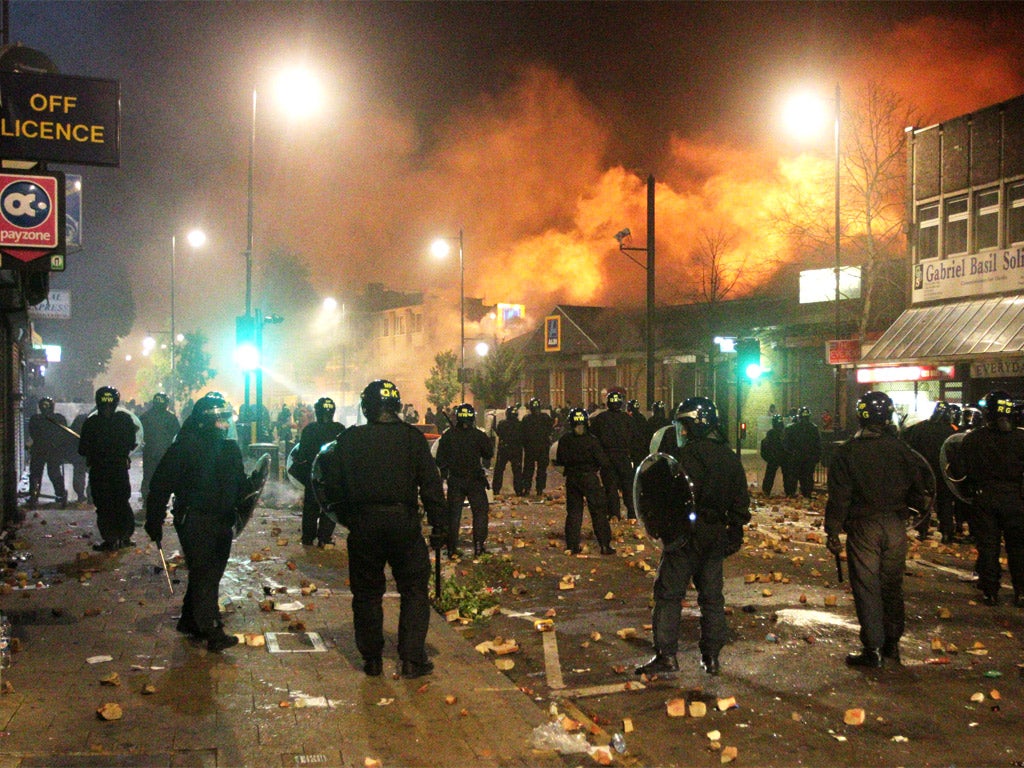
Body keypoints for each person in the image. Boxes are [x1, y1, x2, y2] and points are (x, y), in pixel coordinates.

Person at [310, 379, 447, 678]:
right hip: (403, 523)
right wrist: (440, 525)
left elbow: (330, 486)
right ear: (396, 407)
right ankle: (412, 659)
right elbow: (432, 486)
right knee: (413, 589)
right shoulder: (413, 439)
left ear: (365, 407)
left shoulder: (349, 440)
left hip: (365, 524)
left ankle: (372, 659)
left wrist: (349, 517)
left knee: (367, 593)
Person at [636, 397, 750, 677]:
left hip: (685, 536)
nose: (682, 433)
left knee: (669, 594)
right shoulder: (729, 458)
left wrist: (662, 530)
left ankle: (666, 655)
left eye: (684, 427)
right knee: (711, 598)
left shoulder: (683, 459)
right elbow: (740, 503)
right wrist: (734, 531)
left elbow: (666, 499)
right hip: (715, 535)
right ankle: (711, 657)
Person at [825, 391, 932, 667]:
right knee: (891, 586)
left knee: (867, 587)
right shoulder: (903, 450)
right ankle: (892, 646)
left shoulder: (847, 452)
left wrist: (833, 530)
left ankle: (872, 648)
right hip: (895, 526)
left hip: (864, 527)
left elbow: (840, 496)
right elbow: (920, 491)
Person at [145, 392, 248, 652]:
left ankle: (190, 620)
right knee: (205, 573)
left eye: (226, 420)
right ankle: (211, 629)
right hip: (194, 519)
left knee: (210, 571)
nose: (224, 426)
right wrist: (154, 520)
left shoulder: (230, 449)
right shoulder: (184, 448)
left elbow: (240, 484)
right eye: (219, 421)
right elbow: (160, 486)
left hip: (222, 519)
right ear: (203, 421)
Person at [959, 391, 1024, 607]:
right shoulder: (1021, 439)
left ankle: (990, 591)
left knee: (988, 546)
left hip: (985, 498)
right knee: (1018, 548)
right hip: (1016, 499)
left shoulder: (973, 439)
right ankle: (1021, 592)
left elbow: (961, 471)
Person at [78, 386, 138, 551]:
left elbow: (82, 449)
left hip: (100, 471)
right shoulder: (125, 420)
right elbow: (132, 443)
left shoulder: (91, 422)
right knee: (121, 502)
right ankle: (124, 537)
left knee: (104, 505)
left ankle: (111, 539)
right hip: (118, 469)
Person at [553, 407, 615, 555]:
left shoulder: (565, 440)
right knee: (598, 512)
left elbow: (560, 461)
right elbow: (603, 461)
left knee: (574, 513)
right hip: (590, 478)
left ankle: (572, 546)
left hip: (572, 479)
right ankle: (605, 545)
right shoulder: (592, 441)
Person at [436, 403, 493, 558]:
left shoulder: (449, 435)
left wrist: (446, 471)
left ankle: (452, 548)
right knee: (480, 513)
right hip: (475, 480)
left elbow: (440, 458)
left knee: (453, 516)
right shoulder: (478, 435)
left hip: (456, 480)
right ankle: (479, 546)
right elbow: (488, 453)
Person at [293, 397, 345, 547]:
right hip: (333, 476)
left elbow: (301, 455)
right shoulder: (340, 429)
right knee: (329, 506)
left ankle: (308, 538)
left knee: (311, 507)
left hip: (313, 475)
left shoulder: (309, 429)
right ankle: (324, 538)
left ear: (316, 412)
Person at [903, 401, 957, 542]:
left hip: (923, 471)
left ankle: (922, 530)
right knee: (945, 502)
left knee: (924, 500)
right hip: (943, 472)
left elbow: (910, 449)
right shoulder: (951, 431)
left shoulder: (919, 428)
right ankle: (946, 533)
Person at [590, 390, 643, 520]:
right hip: (624, 457)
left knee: (610, 486)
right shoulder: (627, 419)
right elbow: (637, 438)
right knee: (627, 486)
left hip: (607, 457)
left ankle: (614, 514)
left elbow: (593, 439)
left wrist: (598, 458)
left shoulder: (600, 419)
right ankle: (632, 513)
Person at [26, 397, 71, 508]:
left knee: (37, 473)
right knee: (53, 472)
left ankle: (34, 494)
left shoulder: (35, 419)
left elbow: (33, 433)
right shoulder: (58, 419)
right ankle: (59, 493)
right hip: (52, 450)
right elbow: (64, 434)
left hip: (40, 449)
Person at [139, 393, 180, 506]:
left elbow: (138, 434)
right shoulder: (171, 417)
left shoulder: (145, 416)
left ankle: (147, 499)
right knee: (163, 477)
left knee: (148, 475)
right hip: (165, 453)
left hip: (149, 452)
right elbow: (177, 435)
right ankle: (160, 500)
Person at [783, 406, 822, 498]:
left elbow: (786, 443)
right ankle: (806, 494)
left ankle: (791, 494)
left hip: (796, 457)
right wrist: (816, 457)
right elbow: (818, 444)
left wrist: (791, 453)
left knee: (793, 476)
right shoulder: (813, 428)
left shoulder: (791, 428)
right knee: (807, 477)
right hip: (808, 458)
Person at [521, 397, 554, 496]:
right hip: (542, 447)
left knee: (529, 469)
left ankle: (527, 488)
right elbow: (550, 430)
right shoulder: (545, 417)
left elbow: (522, 433)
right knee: (540, 470)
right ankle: (539, 489)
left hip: (531, 447)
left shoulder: (527, 419)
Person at [493, 404, 525, 496]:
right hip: (516, 449)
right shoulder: (520, 424)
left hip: (504, 448)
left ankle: (496, 489)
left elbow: (498, 432)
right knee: (517, 471)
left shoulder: (502, 424)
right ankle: (518, 490)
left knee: (499, 470)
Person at [760, 413, 787, 497]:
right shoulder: (784, 432)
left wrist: (769, 457)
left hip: (774, 457)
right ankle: (789, 491)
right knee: (786, 475)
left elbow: (765, 445)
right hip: (782, 457)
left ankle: (766, 491)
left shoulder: (771, 433)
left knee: (770, 475)